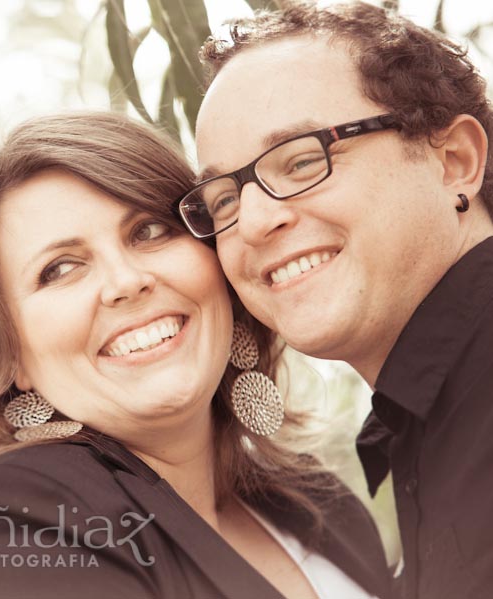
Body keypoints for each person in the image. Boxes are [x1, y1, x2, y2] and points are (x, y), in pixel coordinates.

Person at [0, 112, 391, 599]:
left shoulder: (324, 507)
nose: (125, 282)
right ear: (8, 354)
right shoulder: (12, 518)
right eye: (60, 269)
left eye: (148, 231)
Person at [177, 2, 493, 598]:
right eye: (222, 199)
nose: (253, 221)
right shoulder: (423, 437)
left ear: (455, 162)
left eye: (301, 160)